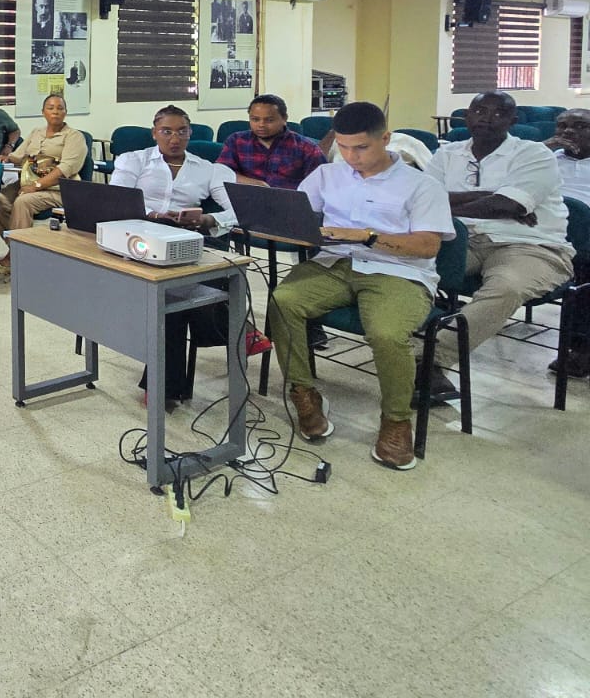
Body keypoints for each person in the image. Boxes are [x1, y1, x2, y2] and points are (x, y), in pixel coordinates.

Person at [268, 103, 456, 470]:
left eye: (361, 148)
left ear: (385, 138)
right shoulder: (327, 175)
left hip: (398, 272)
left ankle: (396, 420)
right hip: (335, 264)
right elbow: (295, 215)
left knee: (386, 333)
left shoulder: (421, 185)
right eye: (343, 147)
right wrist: (289, 226)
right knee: (283, 300)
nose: (351, 156)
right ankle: (303, 392)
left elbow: (427, 246)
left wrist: (367, 236)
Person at [425, 92, 573, 398]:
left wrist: (496, 203)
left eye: (498, 113)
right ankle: (401, 344)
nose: (486, 118)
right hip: (462, 238)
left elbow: (508, 205)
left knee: (507, 287)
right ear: (467, 116)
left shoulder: (534, 154)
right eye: (479, 110)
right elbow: (424, 199)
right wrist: (494, 196)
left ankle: (429, 359)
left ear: (512, 121)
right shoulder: (446, 154)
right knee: (410, 265)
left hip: (529, 245)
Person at [111, 106, 249, 407]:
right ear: (154, 133)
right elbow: (116, 200)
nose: (174, 138)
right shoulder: (134, 160)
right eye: (167, 131)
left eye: (182, 131)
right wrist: (153, 214)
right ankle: (233, 327)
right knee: (178, 294)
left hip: (187, 238)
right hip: (139, 236)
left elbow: (238, 209)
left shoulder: (208, 169)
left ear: (190, 133)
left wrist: (209, 220)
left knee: (173, 295)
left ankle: (164, 386)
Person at [0, 94, 88, 275]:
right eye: (50, 108)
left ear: (65, 112)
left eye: (60, 108)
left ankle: (15, 257)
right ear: (43, 112)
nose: (55, 112)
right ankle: (23, 249)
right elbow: (19, 156)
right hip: (28, 181)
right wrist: (6, 157)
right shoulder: (36, 132)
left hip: (60, 189)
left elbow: (65, 169)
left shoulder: (74, 137)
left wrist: (36, 186)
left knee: (23, 202)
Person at [547, 109, 590, 377]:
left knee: (586, 272)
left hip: (586, 237)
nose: (568, 131)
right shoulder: (547, 158)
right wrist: (542, 149)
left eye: (580, 126)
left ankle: (580, 348)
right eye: (562, 126)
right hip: (548, 230)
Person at [216, 94, 324, 189]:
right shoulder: (237, 141)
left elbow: (321, 183)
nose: (261, 125)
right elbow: (221, 173)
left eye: (269, 120)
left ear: (284, 119)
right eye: (255, 119)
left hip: (290, 201)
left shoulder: (306, 147)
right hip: (248, 198)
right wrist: (255, 184)